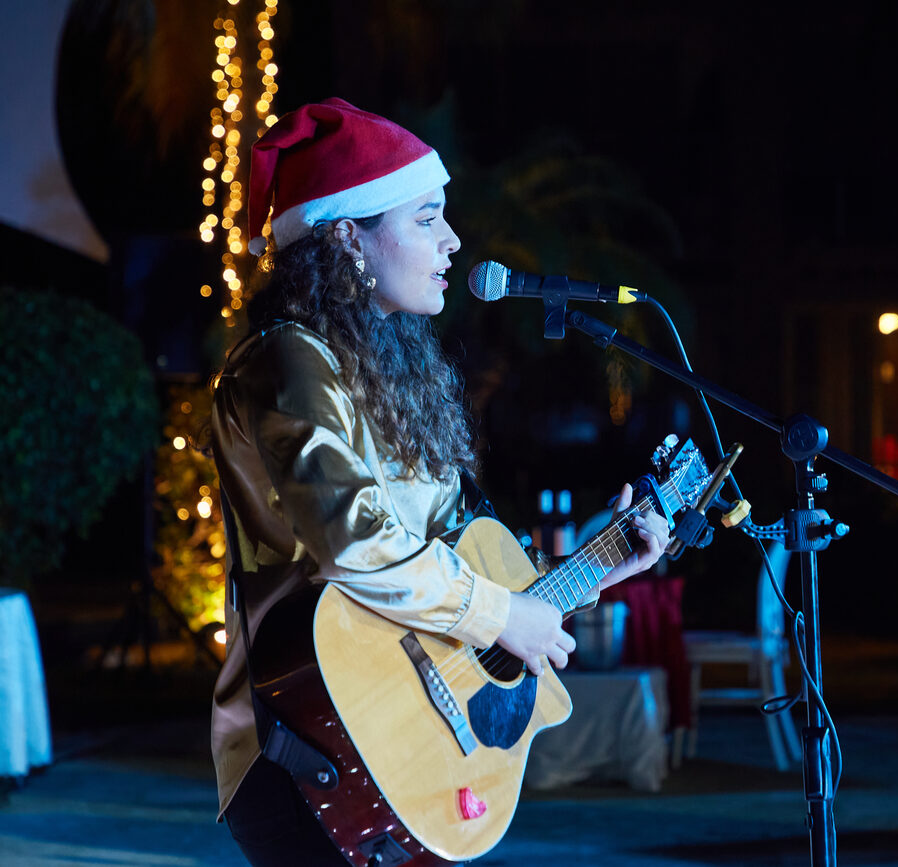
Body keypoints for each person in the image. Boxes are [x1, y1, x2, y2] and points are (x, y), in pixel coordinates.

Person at [208, 98, 671, 865]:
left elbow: (452, 564)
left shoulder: (385, 368)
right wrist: (498, 617)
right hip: (311, 743)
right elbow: (355, 544)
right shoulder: (290, 360)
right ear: (347, 235)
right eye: (426, 219)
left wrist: (592, 570)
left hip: (394, 745)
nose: (455, 242)